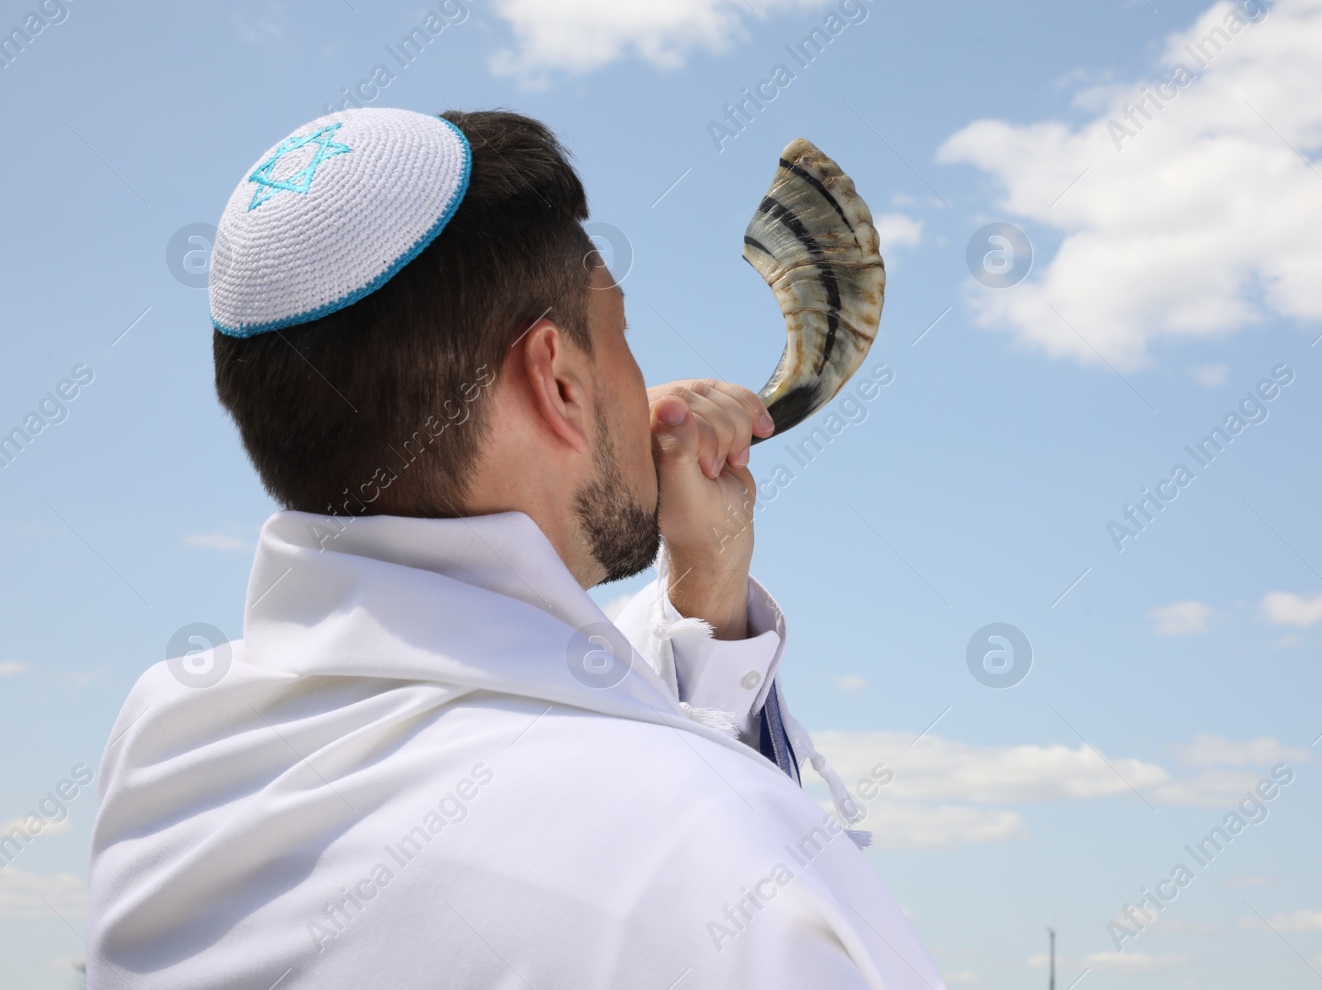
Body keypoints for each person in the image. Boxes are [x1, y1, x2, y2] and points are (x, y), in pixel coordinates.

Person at [85, 108, 943, 988]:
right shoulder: (738, 871)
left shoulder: (163, 750)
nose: (644, 387)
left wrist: (705, 602)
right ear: (559, 382)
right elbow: (640, 831)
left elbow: (546, 781)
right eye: (622, 338)